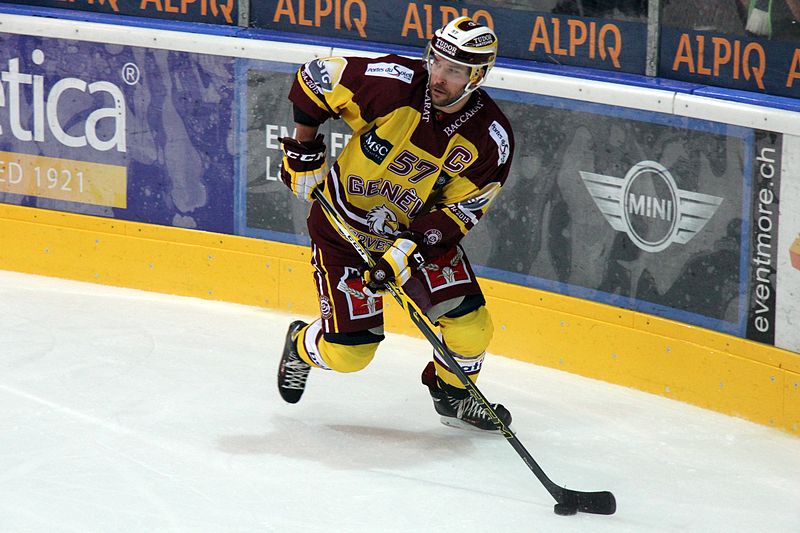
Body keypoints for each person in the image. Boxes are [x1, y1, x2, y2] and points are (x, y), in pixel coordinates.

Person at [276, 16, 515, 431]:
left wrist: (405, 252)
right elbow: (315, 78)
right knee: (351, 353)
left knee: (472, 328)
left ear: (477, 76)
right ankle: (300, 346)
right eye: (437, 62)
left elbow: (459, 212)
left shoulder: (489, 139)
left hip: (414, 239)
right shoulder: (394, 83)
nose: (438, 76)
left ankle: (453, 394)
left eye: (454, 71)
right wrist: (304, 147)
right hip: (342, 231)